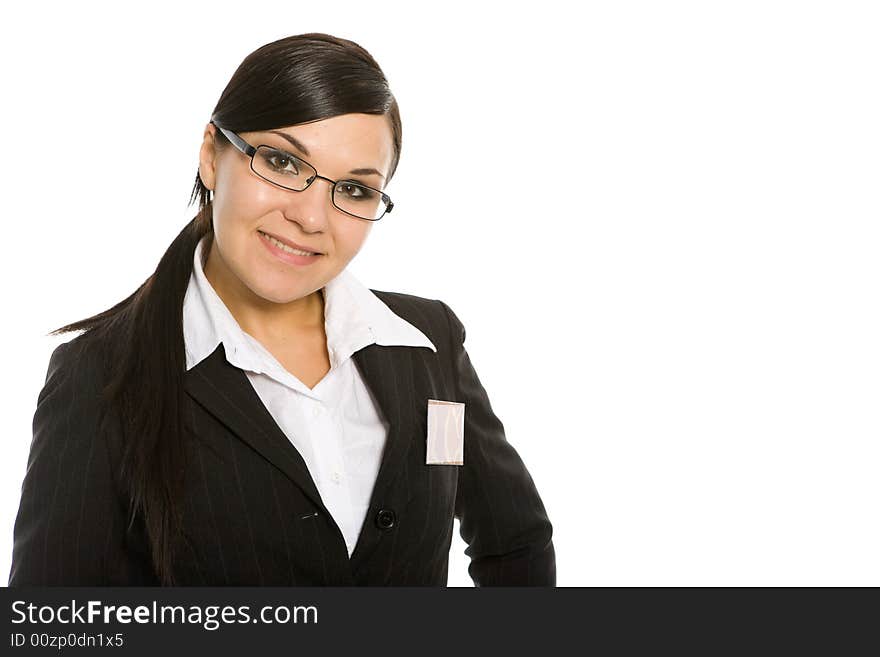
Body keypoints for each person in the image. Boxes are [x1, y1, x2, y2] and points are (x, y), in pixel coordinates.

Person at [7, 33, 555, 586]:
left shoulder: (428, 342)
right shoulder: (99, 377)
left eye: (356, 190)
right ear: (211, 157)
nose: (313, 218)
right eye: (283, 162)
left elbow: (517, 545)